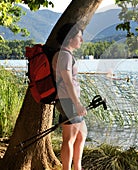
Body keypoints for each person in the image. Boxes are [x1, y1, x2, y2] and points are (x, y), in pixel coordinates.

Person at [52, 23, 87, 170]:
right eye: (79, 37)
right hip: (68, 101)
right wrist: (77, 103)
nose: (81, 40)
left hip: (68, 100)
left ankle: (77, 167)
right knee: (69, 138)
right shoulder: (64, 55)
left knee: (81, 135)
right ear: (70, 38)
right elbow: (67, 82)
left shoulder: (66, 55)